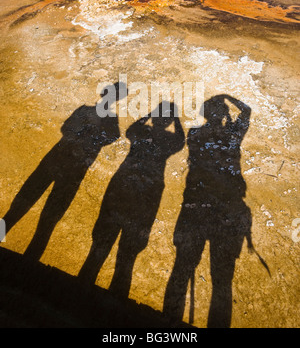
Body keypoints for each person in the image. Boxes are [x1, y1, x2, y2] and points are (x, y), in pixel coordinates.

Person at [2, 82, 126, 261]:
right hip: (58, 163)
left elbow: (111, 137)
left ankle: (29, 264)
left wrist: (85, 133)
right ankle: (28, 264)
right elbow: (66, 129)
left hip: (68, 169)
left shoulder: (110, 120)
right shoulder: (89, 112)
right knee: (20, 207)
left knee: (47, 220)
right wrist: (87, 133)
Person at [78, 102, 185, 299]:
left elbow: (130, 131)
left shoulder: (142, 131)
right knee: (126, 258)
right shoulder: (168, 140)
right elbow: (181, 141)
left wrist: (149, 114)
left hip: (122, 186)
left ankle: (79, 298)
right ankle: (115, 310)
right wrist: (176, 119)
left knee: (99, 248)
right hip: (147, 194)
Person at [163, 94, 252, 328]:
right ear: (224, 114)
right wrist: (227, 98)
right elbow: (247, 111)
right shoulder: (232, 135)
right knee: (222, 280)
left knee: (182, 268)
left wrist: (221, 104)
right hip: (225, 209)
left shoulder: (195, 134)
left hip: (196, 204)